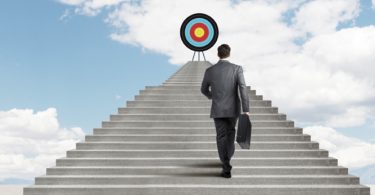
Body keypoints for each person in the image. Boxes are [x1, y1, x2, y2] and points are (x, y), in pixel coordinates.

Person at [201, 44, 250, 178]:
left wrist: (212, 96)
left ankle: (225, 162)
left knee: (221, 136)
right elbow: (243, 88)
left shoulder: (210, 71)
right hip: (233, 108)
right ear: (229, 54)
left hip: (218, 108)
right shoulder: (237, 69)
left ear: (218, 54)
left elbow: (203, 89)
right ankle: (227, 159)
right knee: (231, 134)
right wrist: (246, 109)